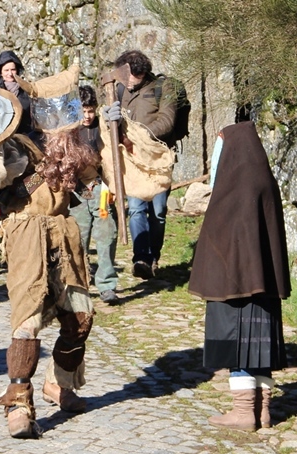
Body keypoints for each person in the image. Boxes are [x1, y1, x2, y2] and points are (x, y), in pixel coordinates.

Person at [0, 65, 96, 438]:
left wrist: (116, 153)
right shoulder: (18, 143)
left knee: (80, 318)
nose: (63, 118)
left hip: (64, 233)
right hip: (26, 234)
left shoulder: (75, 147)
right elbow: (5, 194)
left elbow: (91, 183)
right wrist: (44, 170)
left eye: (66, 108)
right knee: (28, 321)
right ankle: (18, 401)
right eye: (56, 110)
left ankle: (58, 383)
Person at [188, 122, 290, 432]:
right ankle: (263, 411)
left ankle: (244, 412)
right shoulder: (265, 182)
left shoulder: (232, 187)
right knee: (259, 344)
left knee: (240, 341)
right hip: (265, 284)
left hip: (234, 285)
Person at [110, 49, 177, 280]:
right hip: (132, 159)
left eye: (126, 76)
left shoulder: (163, 87)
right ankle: (141, 259)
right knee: (137, 209)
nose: (124, 81)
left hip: (158, 160)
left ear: (139, 72)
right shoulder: (119, 90)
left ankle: (154, 255)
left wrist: (139, 137)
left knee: (157, 212)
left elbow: (167, 121)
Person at [68, 85, 119, 304]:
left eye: (91, 111)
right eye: (83, 111)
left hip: (100, 188)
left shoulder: (102, 129)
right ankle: (80, 283)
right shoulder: (67, 132)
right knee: (78, 239)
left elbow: (112, 156)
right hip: (75, 191)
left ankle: (107, 284)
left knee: (106, 235)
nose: (87, 116)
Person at [0, 50, 31, 134]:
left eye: (13, 69)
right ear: (1, 72)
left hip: (24, 135)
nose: (10, 73)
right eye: (6, 70)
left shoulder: (26, 90)